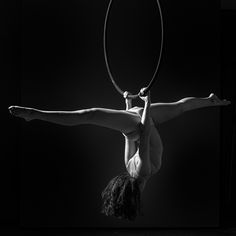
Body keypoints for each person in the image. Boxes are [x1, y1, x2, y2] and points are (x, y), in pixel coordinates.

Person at [8, 89, 231, 220]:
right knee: (180, 106)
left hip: (140, 121)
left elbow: (141, 135)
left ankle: (35, 114)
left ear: (134, 193)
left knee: (90, 114)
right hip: (138, 118)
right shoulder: (128, 168)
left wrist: (145, 102)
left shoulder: (144, 171)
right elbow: (127, 135)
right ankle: (211, 99)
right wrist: (129, 104)